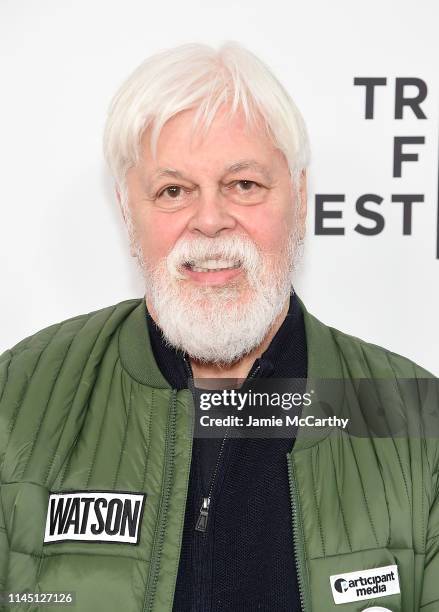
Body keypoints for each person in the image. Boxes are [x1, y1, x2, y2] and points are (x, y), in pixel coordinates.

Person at [0, 42, 437, 612]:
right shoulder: (18, 398)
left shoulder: (413, 419)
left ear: (301, 199)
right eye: (173, 191)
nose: (209, 221)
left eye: (244, 185)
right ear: (128, 212)